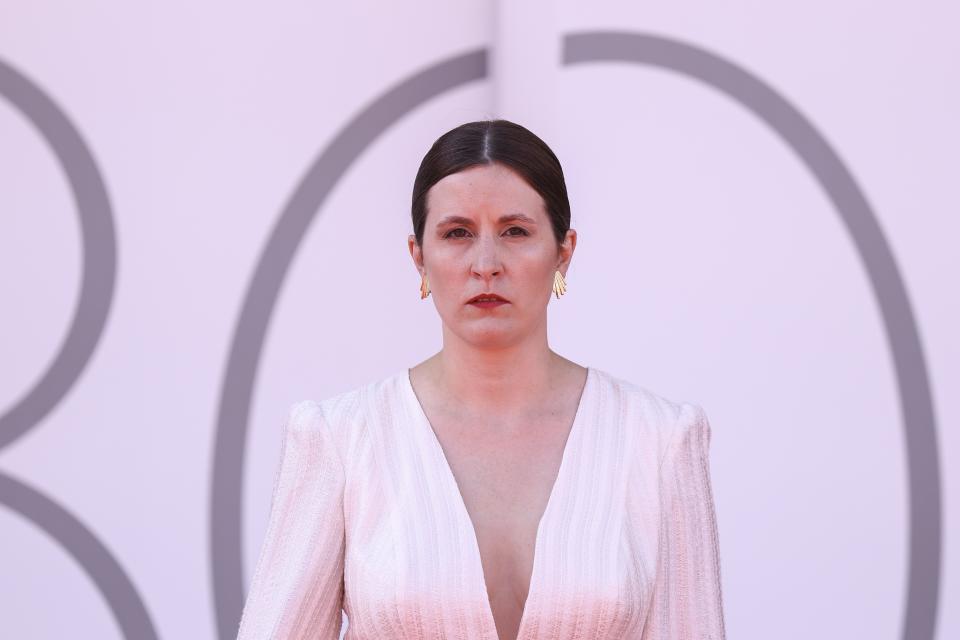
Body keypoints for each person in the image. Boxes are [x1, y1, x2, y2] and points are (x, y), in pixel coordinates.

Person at [236, 119, 727, 640]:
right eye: (457, 233)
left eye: (515, 231)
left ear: (564, 250)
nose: (486, 264)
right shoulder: (340, 439)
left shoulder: (658, 440)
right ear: (418, 256)